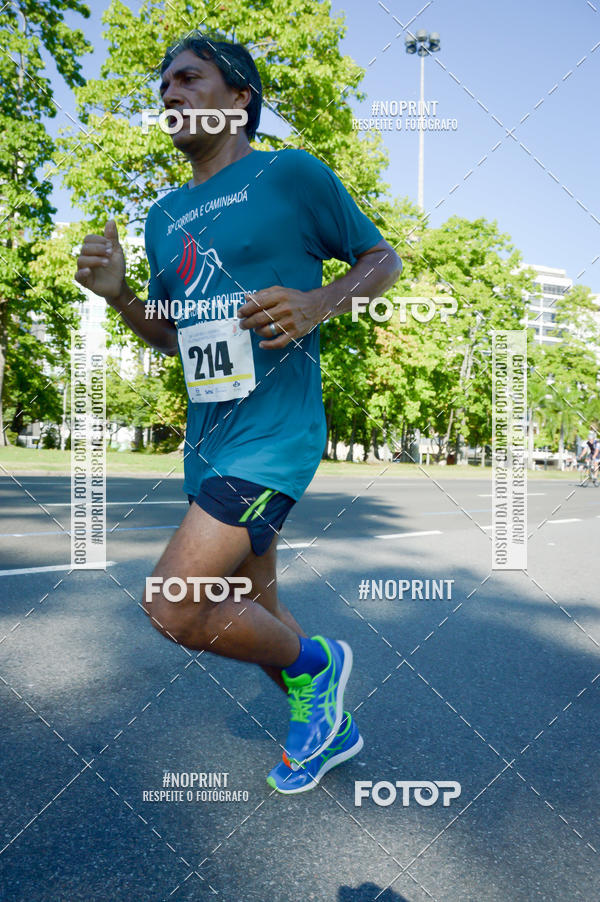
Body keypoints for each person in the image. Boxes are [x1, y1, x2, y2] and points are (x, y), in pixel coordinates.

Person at [75, 33, 402, 793]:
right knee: (251, 607)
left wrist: (320, 302)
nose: (171, 95)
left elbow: (380, 259)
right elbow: (172, 332)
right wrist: (123, 295)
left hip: (275, 432)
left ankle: (321, 665)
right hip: (208, 437)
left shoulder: (288, 174)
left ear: (239, 98)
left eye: (189, 79)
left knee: (176, 605)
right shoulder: (163, 216)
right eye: (164, 89)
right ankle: (327, 726)